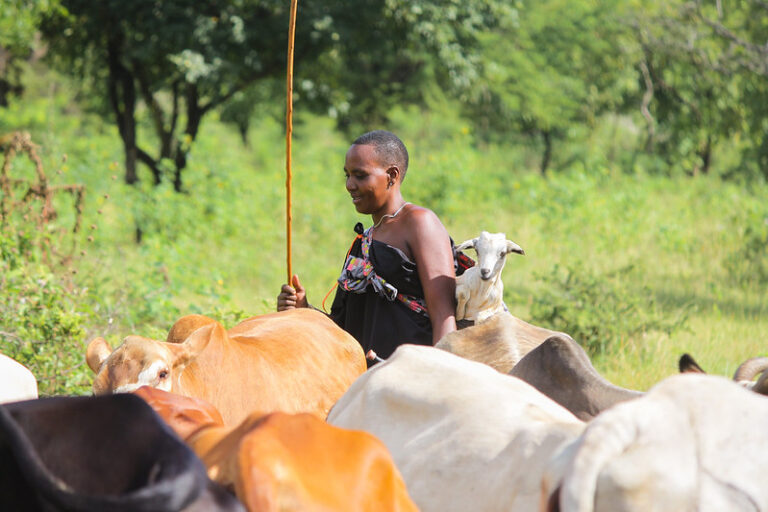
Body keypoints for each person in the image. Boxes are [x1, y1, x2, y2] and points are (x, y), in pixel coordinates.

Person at [277, 130, 458, 362]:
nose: (350, 185)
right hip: (363, 380)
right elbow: (343, 331)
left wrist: (442, 373)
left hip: (411, 375)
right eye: (348, 175)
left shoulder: (420, 223)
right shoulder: (362, 243)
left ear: (392, 175)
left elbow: (443, 315)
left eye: (360, 175)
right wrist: (305, 309)